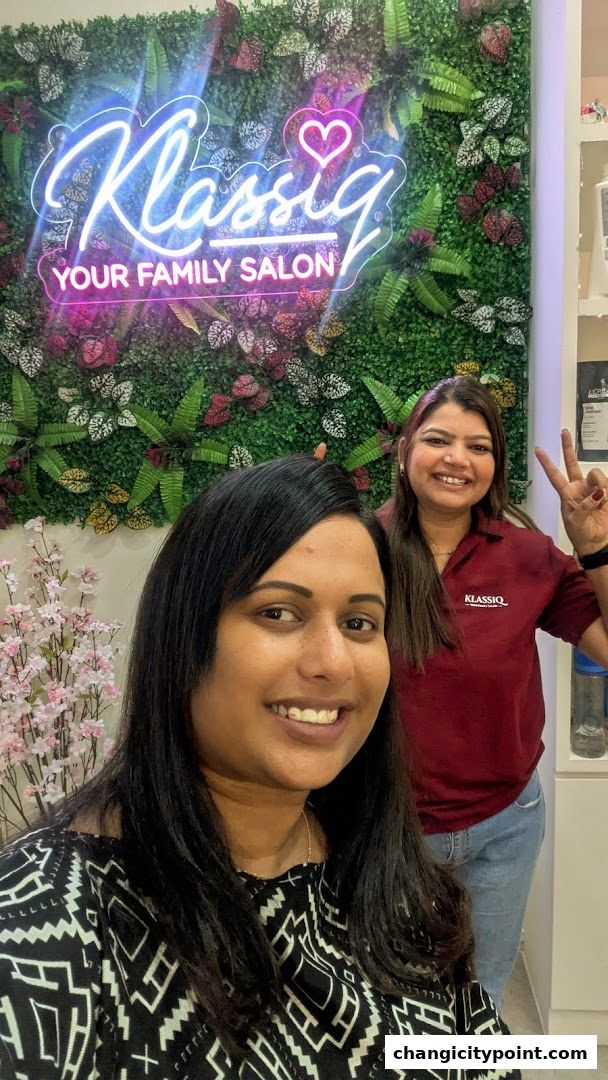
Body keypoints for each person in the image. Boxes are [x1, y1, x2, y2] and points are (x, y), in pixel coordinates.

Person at [0, 455, 519, 1079]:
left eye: (359, 623)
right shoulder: (48, 928)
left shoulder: (394, 882)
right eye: (278, 613)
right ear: (183, 636)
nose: (333, 663)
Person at [379, 375, 608, 1009]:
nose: (458, 459)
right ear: (404, 452)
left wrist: (596, 548)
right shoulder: (360, 548)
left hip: (505, 828)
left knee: (478, 998)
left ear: (495, 466)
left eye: (478, 447)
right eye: (438, 440)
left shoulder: (530, 557)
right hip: (386, 830)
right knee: (392, 999)